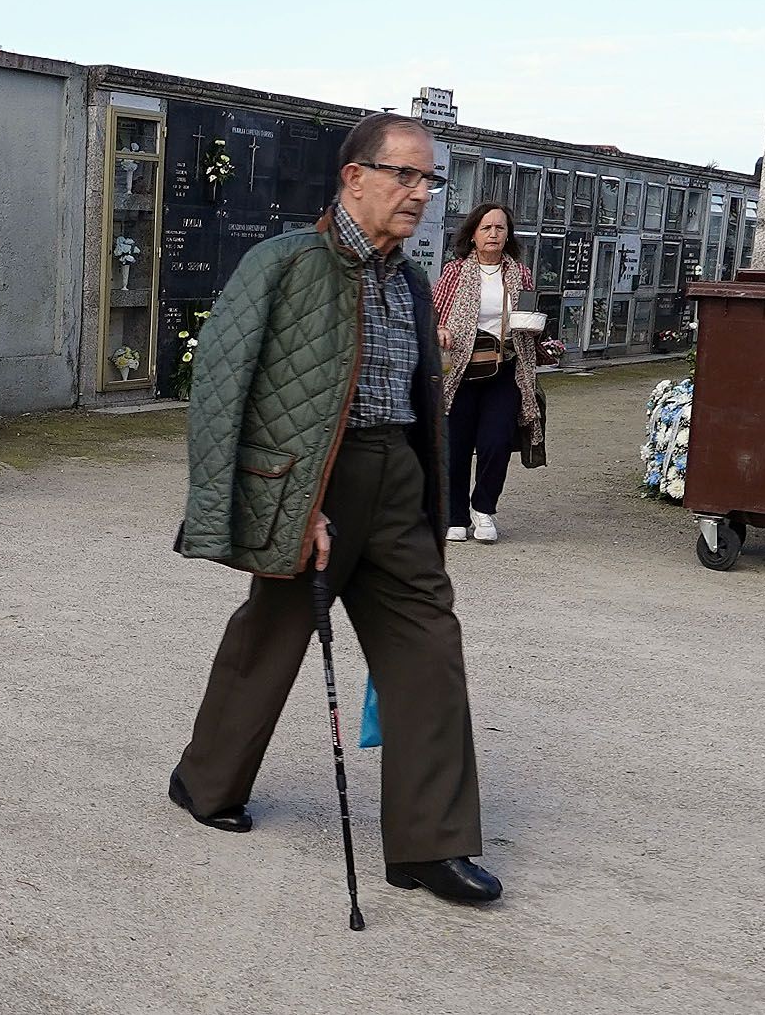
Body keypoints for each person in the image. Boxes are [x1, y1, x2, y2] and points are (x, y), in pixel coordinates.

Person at [168, 113, 501, 908]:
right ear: (355, 177)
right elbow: (220, 389)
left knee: (429, 646)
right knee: (272, 638)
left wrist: (426, 488)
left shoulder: (412, 280)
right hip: (308, 481)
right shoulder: (281, 264)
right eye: (405, 176)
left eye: (429, 181)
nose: (419, 194)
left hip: (397, 480)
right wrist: (280, 503)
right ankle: (205, 782)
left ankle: (428, 845)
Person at [437, 202, 543, 544]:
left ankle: (483, 510)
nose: (494, 233)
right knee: (456, 444)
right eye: (486, 228)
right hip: (461, 371)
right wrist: (440, 330)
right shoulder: (455, 272)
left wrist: (539, 333)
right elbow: (432, 314)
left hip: (506, 368)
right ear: (473, 235)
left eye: (500, 228)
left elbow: (527, 315)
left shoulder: (520, 274)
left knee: (496, 442)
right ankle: (454, 516)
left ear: (508, 234)